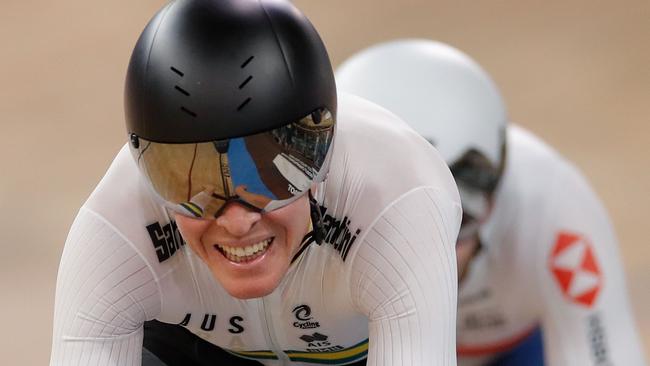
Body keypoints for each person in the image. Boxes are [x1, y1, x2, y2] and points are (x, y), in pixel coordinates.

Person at [49, 3, 462, 366]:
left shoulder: (398, 196)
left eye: (267, 177)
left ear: (321, 159)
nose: (236, 222)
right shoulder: (116, 224)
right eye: (192, 185)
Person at [336, 39, 647, 366]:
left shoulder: (553, 207)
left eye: (458, 219)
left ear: (496, 184)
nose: (431, 251)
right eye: (394, 222)